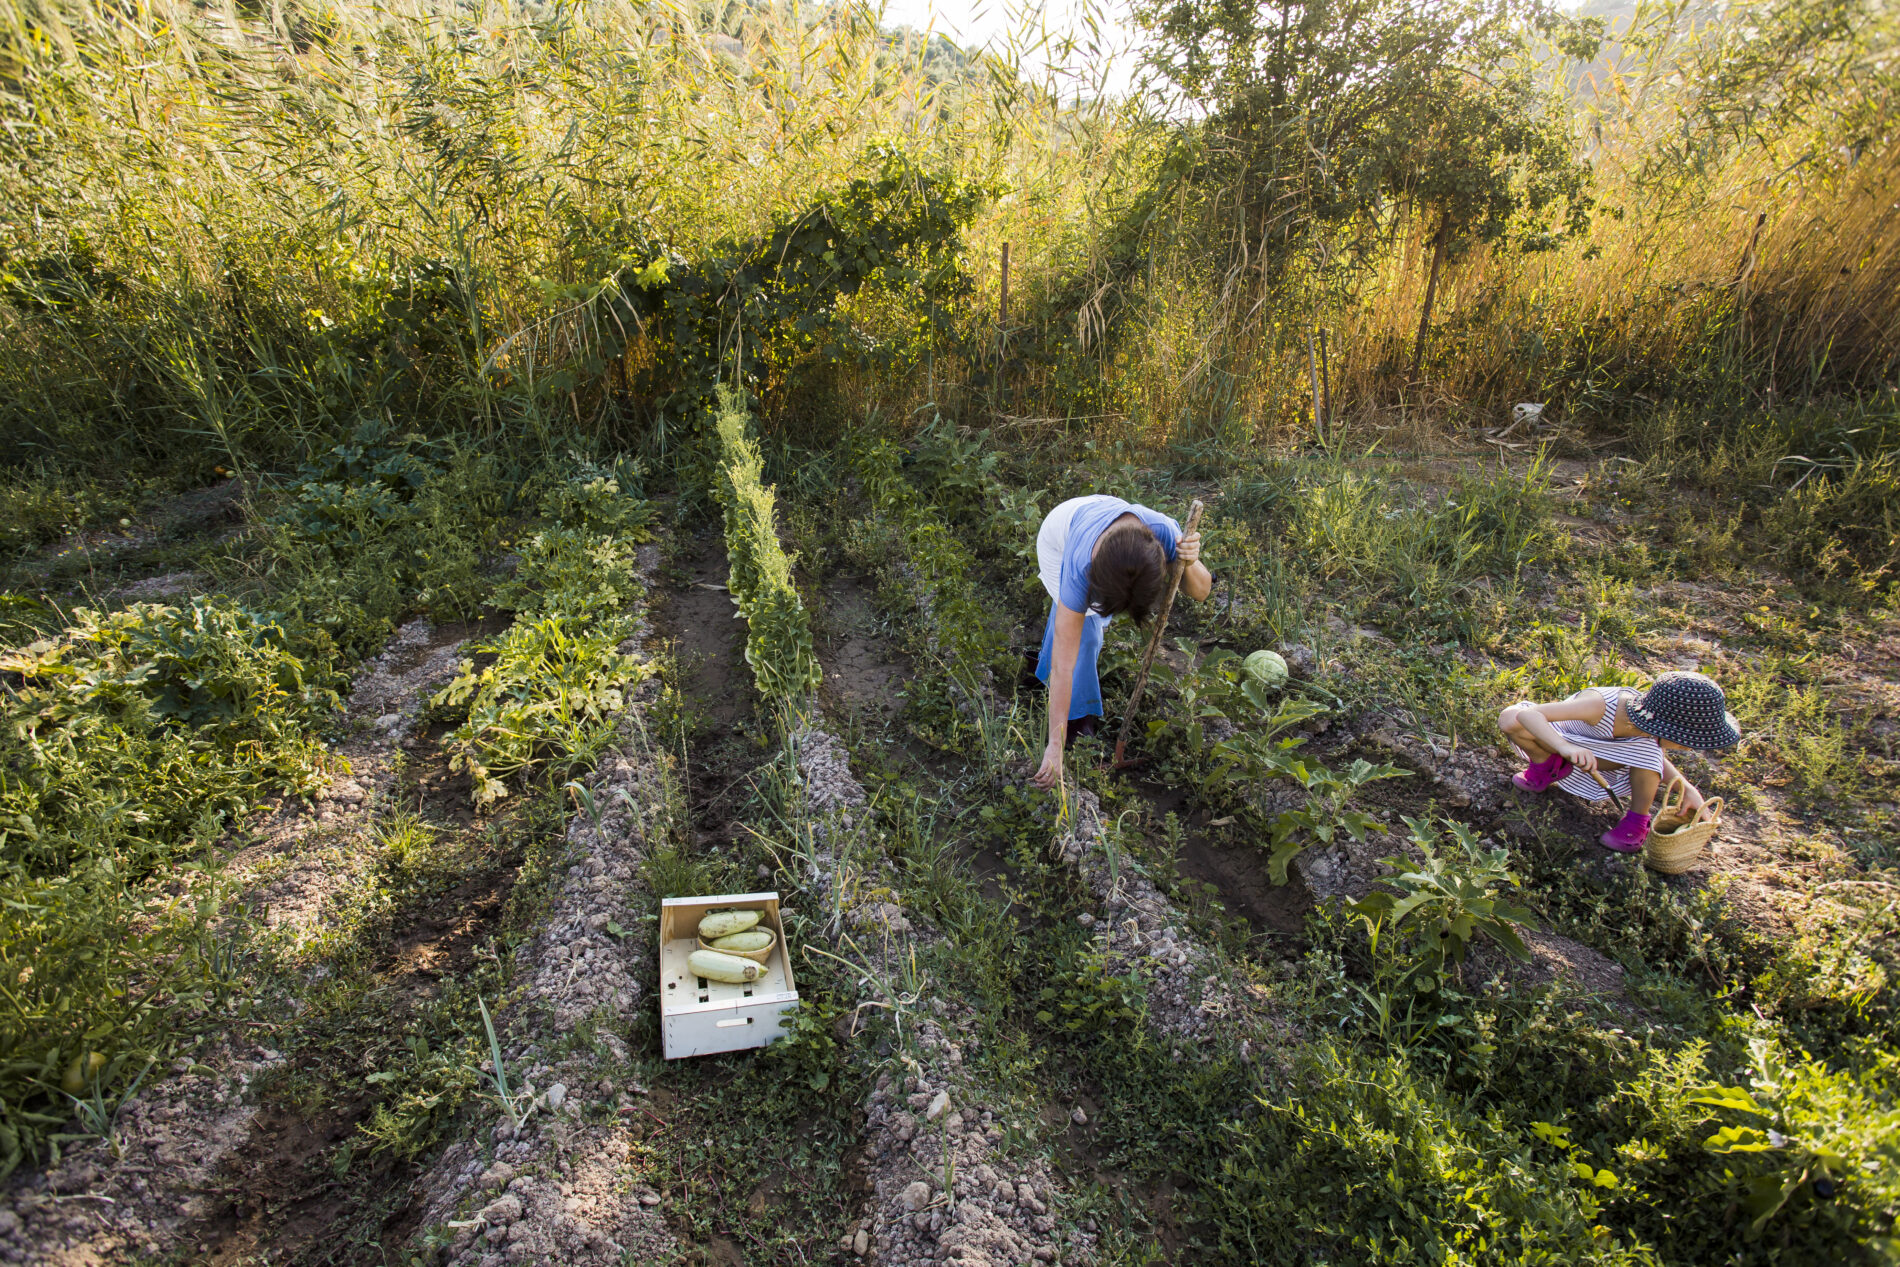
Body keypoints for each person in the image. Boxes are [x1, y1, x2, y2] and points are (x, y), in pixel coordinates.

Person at [1030, 495, 1210, 788]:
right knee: (1085, 637)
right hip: (1059, 535)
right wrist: (1054, 745)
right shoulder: (1078, 566)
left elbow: (1202, 592)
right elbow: (1064, 666)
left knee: (1085, 624)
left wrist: (1190, 562)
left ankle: (1037, 668)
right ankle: (1075, 721)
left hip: (1107, 524)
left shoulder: (1165, 533)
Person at [1498, 671, 1741, 852]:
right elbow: (1530, 715)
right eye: (1685, 740)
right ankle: (1546, 766)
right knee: (1510, 718)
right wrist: (1565, 748)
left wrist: (1685, 788)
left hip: (1601, 760)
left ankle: (1637, 821)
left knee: (1649, 754)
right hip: (1563, 741)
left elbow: (1653, 758)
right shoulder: (1602, 706)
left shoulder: (1648, 727)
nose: (1688, 747)